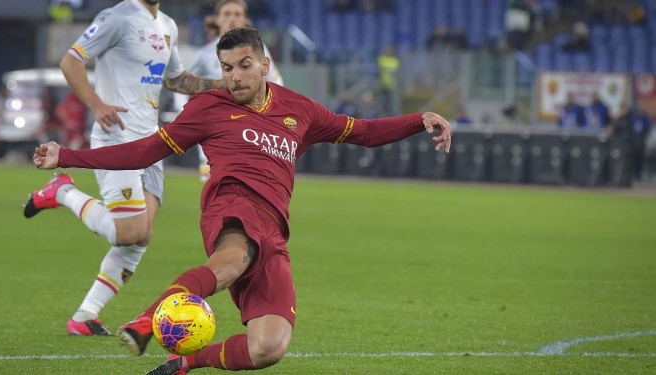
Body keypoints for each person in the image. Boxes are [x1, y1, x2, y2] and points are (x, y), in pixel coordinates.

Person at [32, 28, 451, 374]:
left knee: (268, 348)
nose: (235, 77)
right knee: (231, 260)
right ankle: (149, 319)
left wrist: (419, 120)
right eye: (227, 68)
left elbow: (363, 131)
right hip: (230, 206)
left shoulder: (298, 110)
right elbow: (141, 152)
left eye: (244, 66)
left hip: (274, 229)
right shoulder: (207, 107)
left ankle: (184, 364)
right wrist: (66, 155)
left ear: (265, 65)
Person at [23, 0, 225, 337]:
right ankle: (62, 191)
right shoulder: (117, 18)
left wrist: (222, 87)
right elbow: (71, 61)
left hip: (153, 144)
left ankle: (85, 315)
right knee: (128, 232)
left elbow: (176, 80)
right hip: (116, 137)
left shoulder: (168, 26)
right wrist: (97, 104)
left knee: (141, 236)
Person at [187, 0, 284, 182]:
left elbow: (277, 83)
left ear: (246, 21)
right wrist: (184, 115)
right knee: (215, 190)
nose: (232, 18)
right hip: (213, 132)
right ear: (217, 19)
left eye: (237, 14)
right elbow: (183, 86)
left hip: (250, 132)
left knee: (250, 190)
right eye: (227, 14)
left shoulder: (259, 53)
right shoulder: (204, 56)